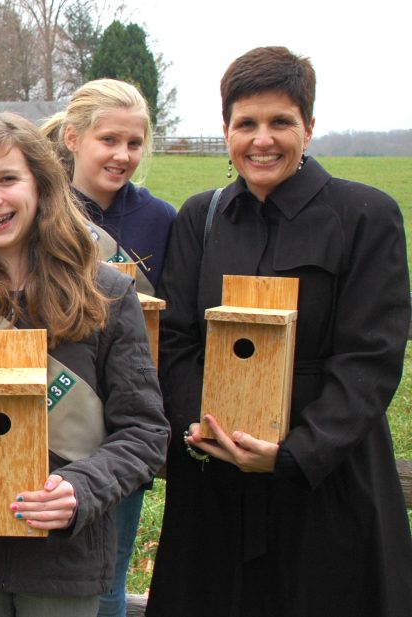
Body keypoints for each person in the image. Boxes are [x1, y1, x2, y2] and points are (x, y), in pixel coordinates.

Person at [146, 46, 412, 617]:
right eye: (246, 123)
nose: (261, 139)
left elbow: (370, 358)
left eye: (280, 122)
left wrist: (292, 453)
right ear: (226, 131)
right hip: (216, 486)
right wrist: (208, 428)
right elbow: (176, 340)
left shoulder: (365, 217)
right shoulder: (201, 217)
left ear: (309, 128)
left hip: (326, 482)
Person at [0, 113, 168, 617]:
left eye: (7, 179)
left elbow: (143, 431)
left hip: (64, 561)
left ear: (43, 185)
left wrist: (80, 488)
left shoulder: (108, 296)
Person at [45, 78, 176, 617]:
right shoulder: (41, 209)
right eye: (109, 140)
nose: (122, 155)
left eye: (134, 143)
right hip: (55, 411)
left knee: (108, 578)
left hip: (124, 423)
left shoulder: (163, 220)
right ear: (73, 138)